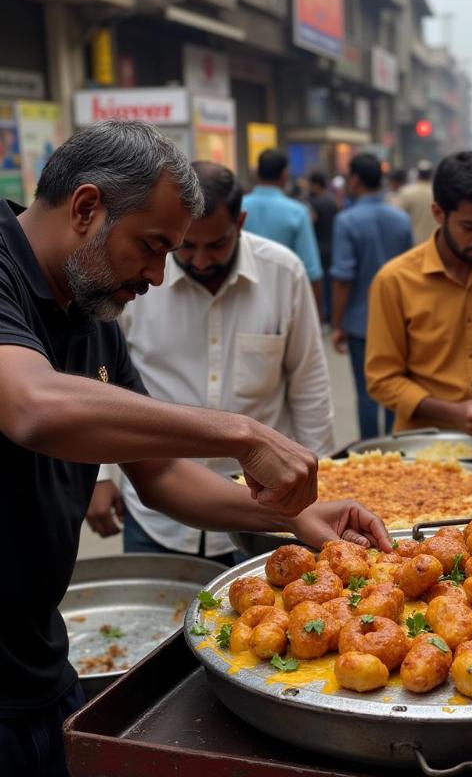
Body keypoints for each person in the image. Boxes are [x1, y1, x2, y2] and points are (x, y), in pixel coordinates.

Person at [0, 120, 391, 776]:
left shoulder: (95, 316)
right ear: (87, 208)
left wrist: (290, 516)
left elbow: (160, 476)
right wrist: (243, 434)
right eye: (151, 247)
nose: (157, 275)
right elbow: (31, 404)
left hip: (37, 660)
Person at [86, 161, 336, 564]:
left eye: (216, 245)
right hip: (157, 515)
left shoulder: (282, 273)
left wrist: (320, 487)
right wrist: (99, 476)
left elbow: (309, 386)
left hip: (268, 516)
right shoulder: (137, 280)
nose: (200, 261)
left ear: (240, 221)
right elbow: (100, 383)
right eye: (186, 246)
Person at [366, 150, 472, 434]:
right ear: (438, 213)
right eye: (469, 227)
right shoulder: (394, 280)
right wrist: (451, 413)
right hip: (421, 445)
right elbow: (382, 379)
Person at [330, 153, 413, 439]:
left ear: (355, 179)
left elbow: (343, 278)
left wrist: (338, 323)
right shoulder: (401, 219)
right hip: (399, 321)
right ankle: (396, 446)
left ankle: (370, 453)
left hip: (359, 321)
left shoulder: (347, 220)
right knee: (395, 389)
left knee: (366, 394)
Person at [242, 149, 324, 312]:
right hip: (284, 303)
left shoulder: (237, 206)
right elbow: (311, 270)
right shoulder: (297, 212)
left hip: (242, 298)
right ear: (285, 175)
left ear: (257, 174)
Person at [308, 170, 339, 323]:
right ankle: (331, 313)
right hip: (332, 246)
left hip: (318, 247)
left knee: (320, 282)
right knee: (330, 282)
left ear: (315, 185)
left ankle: (323, 314)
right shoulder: (333, 202)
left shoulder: (314, 204)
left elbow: (311, 224)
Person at [397, 159, 436, 244]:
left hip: (414, 245)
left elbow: (398, 219)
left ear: (418, 174)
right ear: (431, 174)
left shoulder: (406, 192)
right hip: (434, 244)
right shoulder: (437, 192)